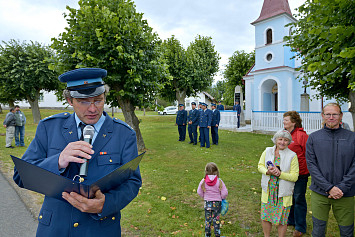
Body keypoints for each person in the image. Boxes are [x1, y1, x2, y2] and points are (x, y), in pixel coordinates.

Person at [13, 68, 142, 237]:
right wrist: (58, 160)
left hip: (100, 229)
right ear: (69, 100)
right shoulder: (49, 128)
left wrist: (106, 204)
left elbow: (132, 181)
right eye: (83, 101)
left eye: (98, 100)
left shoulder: (124, 134)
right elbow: (20, 176)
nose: (92, 108)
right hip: (55, 228)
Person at [306, 103, 355, 237]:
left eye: (335, 114)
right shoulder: (314, 138)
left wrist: (342, 187)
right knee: (318, 230)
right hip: (320, 192)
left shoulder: (352, 138)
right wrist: (328, 187)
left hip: (346, 192)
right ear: (322, 116)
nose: (331, 117)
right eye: (328, 114)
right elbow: (311, 165)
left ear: (341, 116)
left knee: (347, 231)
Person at [258, 130, 299, 237]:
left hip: (283, 193)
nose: (282, 142)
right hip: (269, 191)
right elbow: (260, 165)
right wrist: (267, 171)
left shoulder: (292, 155)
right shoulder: (267, 151)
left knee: (282, 219)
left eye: (286, 140)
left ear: (289, 142)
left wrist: (280, 174)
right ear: (275, 140)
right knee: (266, 216)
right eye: (280, 139)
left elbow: (294, 176)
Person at [283, 111, 309, 237]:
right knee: (290, 197)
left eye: (286, 120)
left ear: (293, 122)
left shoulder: (301, 136)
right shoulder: (284, 134)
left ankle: (300, 227)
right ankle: (291, 220)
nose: (284, 122)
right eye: (284, 120)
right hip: (287, 173)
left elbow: (308, 154)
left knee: (299, 198)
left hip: (301, 173)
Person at [197, 162, 228, 237]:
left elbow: (199, 191)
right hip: (217, 204)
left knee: (208, 220)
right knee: (216, 219)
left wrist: (204, 196)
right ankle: (217, 235)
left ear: (206, 171)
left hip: (207, 203)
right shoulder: (219, 181)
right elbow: (225, 193)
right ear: (216, 171)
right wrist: (222, 198)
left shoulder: (203, 181)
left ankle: (207, 235)